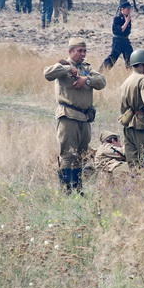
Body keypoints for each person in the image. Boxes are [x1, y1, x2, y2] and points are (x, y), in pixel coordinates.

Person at [43, 38, 107, 191]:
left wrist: (86, 80)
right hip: (68, 116)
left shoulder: (86, 68)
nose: (83, 54)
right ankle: (66, 189)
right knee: (67, 154)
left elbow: (102, 81)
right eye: (79, 51)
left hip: (85, 118)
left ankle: (77, 188)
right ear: (71, 51)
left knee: (81, 154)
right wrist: (67, 69)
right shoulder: (63, 66)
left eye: (84, 51)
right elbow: (47, 73)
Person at [102, 1, 134, 69]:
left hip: (125, 40)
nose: (129, 11)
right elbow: (120, 30)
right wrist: (126, 22)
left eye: (130, 9)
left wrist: (127, 21)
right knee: (113, 57)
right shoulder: (117, 18)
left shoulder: (127, 18)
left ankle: (130, 71)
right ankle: (103, 70)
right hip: (118, 40)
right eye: (127, 9)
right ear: (122, 9)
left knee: (130, 57)